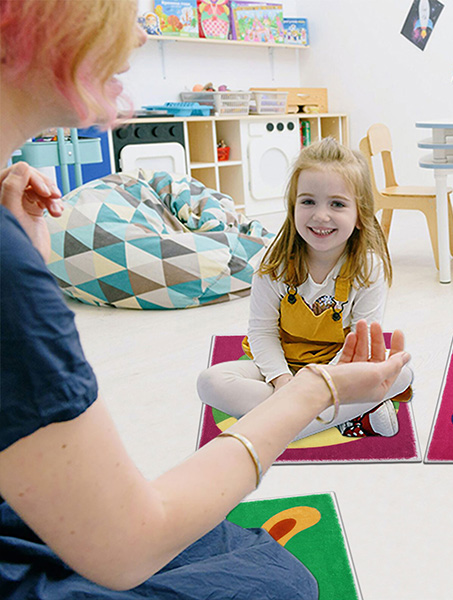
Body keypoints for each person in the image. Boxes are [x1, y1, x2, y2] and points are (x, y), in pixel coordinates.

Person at [0, 1, 409, 597]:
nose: (141, 34)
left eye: (338, 206)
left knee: (264, 560)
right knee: (281, 582)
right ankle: (337, 410)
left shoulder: (366, 265)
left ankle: (337, 407)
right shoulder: (11, 275)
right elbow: (127, 546)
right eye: (120, 10)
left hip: (44, 511)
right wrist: (307, 391)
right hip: (54, 546)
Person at [196, 138, 414, 440]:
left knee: (401, 374)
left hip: (337, 371)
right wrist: (284, 381)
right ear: (293, 206)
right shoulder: (272, 262)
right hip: (279, 369)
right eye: (308, 201)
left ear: (360, 214)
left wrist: (318, 384)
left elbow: (358, 344)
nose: (321, 215)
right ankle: (345, 415)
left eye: (337, 204)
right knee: (210, 381)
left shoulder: (369, 268)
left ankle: (273, 426)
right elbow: (262, 333)